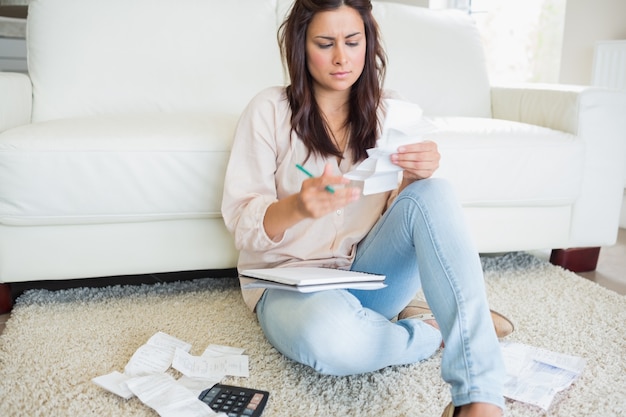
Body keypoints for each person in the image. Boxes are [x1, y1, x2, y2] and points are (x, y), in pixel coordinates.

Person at [221, 1, 512, 416]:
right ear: (301, 48)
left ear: (367, 43)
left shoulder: (391, 112)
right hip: (287, 287)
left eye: (352, 42)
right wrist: (299, 206)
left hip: (367, 274)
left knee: (436, 192)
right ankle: (433, 330)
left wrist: (415, 178)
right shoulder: (268, 111)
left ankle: (480, 397)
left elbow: (407, 216)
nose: (342, 57)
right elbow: (242, 224)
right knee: (333, 342)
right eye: (325, 43)